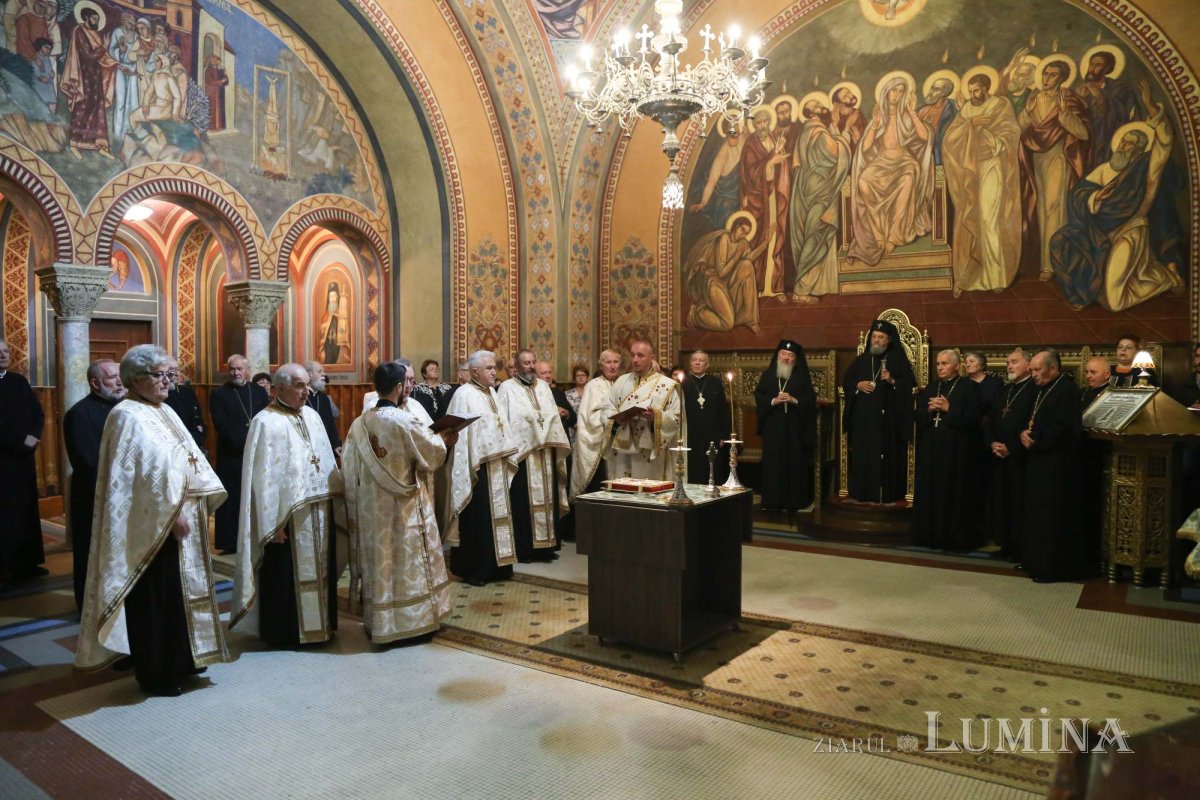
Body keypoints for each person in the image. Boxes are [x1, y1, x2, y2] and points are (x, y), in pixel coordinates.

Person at [76, 345, 229, 697]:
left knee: (180, 595)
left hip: (183, 521)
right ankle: (156, 672)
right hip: (150, 528)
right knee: (154, 599)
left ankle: (184, 658)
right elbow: (132, 481)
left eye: (170, 375)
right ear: (134, 378)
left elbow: (189, 459)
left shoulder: (165, 411)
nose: (167, 383)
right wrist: (168, 515)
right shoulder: (126, 415)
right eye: (160, 375)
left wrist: (198, 499)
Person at [229, 364, 343, 647]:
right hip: (286, 518)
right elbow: (262, 478)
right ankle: (287, 633)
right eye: (298, 385)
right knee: (284, 575)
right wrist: (272, 522)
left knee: (321, 571)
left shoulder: (314, 416)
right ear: (279, 388)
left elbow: (324, 461)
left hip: (319, 512)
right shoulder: (265, 422)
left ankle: (322, 627)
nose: (306, 391)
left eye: (307, 384)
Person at [343, 362, 454, 643]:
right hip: (405, 506)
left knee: (382, 562)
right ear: (398, 387)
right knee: (407, 562)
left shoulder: (360, 423)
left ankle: (380, 623)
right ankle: (409, 623)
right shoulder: (404, 421)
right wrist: (445, 440)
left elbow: (349, 466)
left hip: (372, 508)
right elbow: (432, 455)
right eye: (406, 383)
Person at [1050, 85, 1183, 311]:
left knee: (1115, 301)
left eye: (1130, 143)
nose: (1123, 146)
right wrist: (1095, 197)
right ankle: (1082, 294)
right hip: (1097, 231)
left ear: (1140, 150)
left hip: (1128, 231)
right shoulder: (1105, 169)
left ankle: (1167, 278)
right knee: (1060, 240)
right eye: (1123, 141)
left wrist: (1152, 110)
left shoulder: (1146, 167)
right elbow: (1079, 194)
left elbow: (1165, 142)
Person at [942, 73, 1022, 294]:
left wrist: (995, 141)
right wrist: (970, 125)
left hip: (992, 166)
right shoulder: (967, 110)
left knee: (989, 219)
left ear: (987, 89)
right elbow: (949, 139)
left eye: (977, 90)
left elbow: (1012, 132)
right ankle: (970, 276)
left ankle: (996, 277)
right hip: (971, 171)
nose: (973, 95)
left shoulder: (1000, 105)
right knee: (970, 220)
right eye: (971, 90)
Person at [444, 350, 518, 586]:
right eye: (489, 368)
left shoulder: (492, 393)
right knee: (478, 518)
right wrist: (475, 457)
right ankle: (476, 569)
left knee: (498, 516)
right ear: (474, 371)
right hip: (475, 467)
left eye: (494, 367)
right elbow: (459, 431)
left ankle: (500, 566)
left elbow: (500, 423)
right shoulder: (463, 394)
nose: (494, 372)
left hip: (496, 462)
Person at [847, 75, 934, 266]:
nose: (896, 95)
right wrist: (875, 125)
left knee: (908, 180)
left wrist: (912, 113)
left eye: (901, 91)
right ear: (886, 93)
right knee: (863, 182)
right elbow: (866, 147)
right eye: (893, 90)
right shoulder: (879, 118)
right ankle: (879, 233)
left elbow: (925, 136)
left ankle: (894, 236)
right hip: (882, 161)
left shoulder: (907, 116)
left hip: (904, 161)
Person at [1020, 349, 1089, 582]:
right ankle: (1034, 560)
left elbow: (1065, 428)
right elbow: (1028, 419)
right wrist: (1023, 434)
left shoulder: (1066, 390)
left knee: (1050, 515)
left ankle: (1050, 568)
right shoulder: (1040, 389)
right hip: (1037, 461)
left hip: (1056, 464)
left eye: (1037, 370)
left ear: (1052, 368)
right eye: (1031, 370)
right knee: (1035, 514)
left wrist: (1036, 438)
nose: (1033, 375)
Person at [1018, 59, 1089, 281]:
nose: (1047, 78)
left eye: (1053, 75)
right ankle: (1045, 263)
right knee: (1040, 209)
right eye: (1045, 73)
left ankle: (1055, 264)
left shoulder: (1068, 99)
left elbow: (1084, 133)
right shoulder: (1033, 98)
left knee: (1055, 207)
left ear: (1062, 78)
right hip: (1036, 158)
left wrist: (1065, 114)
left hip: (1058, 155)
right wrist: (1028, 115)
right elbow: (1016, 130)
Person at [63, 359, 125, 610]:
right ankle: (90, 607)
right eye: (112, 377)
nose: (120, 382)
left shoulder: (127, 409)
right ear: (95, 382)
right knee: (91, 553)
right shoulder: (79, 414)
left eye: (120, 376)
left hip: (123, 497)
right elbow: (87, 461)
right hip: (94, 497)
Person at [498, 351, 571, 562]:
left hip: (546, 450)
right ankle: (525, 548)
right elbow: (507, 421)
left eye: (533, 362)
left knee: (548, 498)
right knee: (523, 501)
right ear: (517, 366)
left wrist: (545, 431)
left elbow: (551, 414)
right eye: (526, 363)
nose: (530, 367)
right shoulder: (507, 389)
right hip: (524, 454)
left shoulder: (544, 387)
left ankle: (547, 545)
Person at [911, 350, 984, 551]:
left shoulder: (970, 388)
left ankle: (951, 538)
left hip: (956, 451)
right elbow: (917, 415)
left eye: (944, 363)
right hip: (931, 449)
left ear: (956, 365)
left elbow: (975, 418)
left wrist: (949, 409)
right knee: (930, 491)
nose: (940, 367)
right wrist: (928, 410)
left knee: (952, 492)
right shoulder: (932, 388)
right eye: (938, 364)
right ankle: (928, 535)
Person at [840, 319, 915, 503]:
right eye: (874, 336)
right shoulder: (862, 360)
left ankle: (888, 494)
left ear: (889, 340)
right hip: (864, 422)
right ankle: (863, 494)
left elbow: (910, 386)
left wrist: (892, 380)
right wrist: (858, 384)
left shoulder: (897, 360)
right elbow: (847, 382)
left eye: (881, 337)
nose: (876, 340)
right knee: (865, 458)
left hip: (890, 423)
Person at [790, 98, 852, 302]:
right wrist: (843, 132)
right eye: (818, 106)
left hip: (810, 188)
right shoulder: (817, 131)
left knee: (814, 234)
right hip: (819, 190)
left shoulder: (806, 132)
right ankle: (801, 290)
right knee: (816, 235)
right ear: (811, 114)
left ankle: (817, 285)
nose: (823, 107)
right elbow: (835, 154)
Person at [209, 354, 269, 554]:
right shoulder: (219, 394)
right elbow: (222, 426)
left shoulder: (259, 392)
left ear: (247, 370)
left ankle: (257, 536)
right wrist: (246, 442)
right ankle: (231, 542)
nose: (235, 373)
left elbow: (265, 419)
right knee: (233, 498)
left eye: (239, 369)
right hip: (232, 454)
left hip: (258, 453)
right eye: (232, 369)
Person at [0, 339, 47, 584]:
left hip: (23, 460)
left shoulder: (18, 381)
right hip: (4, 459)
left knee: (25, 509)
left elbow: (36, 413)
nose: (3, 355)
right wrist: (21, 440)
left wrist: (35, 436)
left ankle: (26, 563)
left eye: (6, 351)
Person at [986, 348, 1037, 563]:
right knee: (1002, 503)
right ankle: (1005, 544)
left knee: (1019, 505)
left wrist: (1012, 447)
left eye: (1014, 362)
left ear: (1028, 364)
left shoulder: (1034, 390)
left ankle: (1019, 548)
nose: (1009, 366)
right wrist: (992, 443)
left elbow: (1033, 425)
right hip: (999, 456)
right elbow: (989, 419)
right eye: (1008, 362)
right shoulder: (1005, 390)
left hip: (1020, 458)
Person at [605, 338, 682, 481]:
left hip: (649, 451)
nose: (635, 360)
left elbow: (676, 419)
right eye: (632, 355)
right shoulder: (621, 381)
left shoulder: (667, 385)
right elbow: (606, 408)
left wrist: (656, 418)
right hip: (623, 451)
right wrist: (616, 419)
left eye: (640, 355)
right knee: (624, 493)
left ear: (652, 358)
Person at [754, 340, 817, 511]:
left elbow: (811, 401)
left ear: (795, 359)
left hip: (795, 430)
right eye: (784, 354)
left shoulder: (802, 377)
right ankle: (772, 500)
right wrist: (773, 400)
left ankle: (794, 501)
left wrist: (794, 400)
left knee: (794, 462)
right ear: (778, 355)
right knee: (773, 464)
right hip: (773, 428)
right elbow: (759, 397)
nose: (786, 358)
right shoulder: (768, 375)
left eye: (791, 355)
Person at [60, 5, 118, 159]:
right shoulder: (79, 32)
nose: (96, 21)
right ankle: (74, 143)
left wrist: (116, 64)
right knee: (82, 108)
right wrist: (103, 48)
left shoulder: (95, 35)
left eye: (97, 19)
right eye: (94, 18)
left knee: (98, 109)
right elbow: (89, 54)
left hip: (96, 77)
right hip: (83, 77)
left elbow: (102, 58)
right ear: (85, 18)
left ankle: (100, 144)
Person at [570, 349, 623, 498]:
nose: (612, 366)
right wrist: (612, 420)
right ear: (601, 365)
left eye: (615, 362)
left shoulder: (625, 382)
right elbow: (588, 418)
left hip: (622, 445)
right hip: (601, 447)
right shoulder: (594, 386)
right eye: (608, 362)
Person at [683, 350, 732, 486]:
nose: (697, 362)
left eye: (701, 360)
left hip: (713, 434)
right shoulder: (683, 383)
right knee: (694, 467)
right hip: (691, 434)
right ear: (690, 363)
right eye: (694, 360)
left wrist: (724, 434)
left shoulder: (715, 383)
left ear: (707, 364)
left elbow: (723, 410)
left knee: (713, 468)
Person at [164, 359, 206, 450]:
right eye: (171, 370)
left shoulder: (188, 393)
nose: (176, 374)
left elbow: (199, 422)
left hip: (193, 445)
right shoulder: (158, 396)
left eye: (177, 369)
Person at [303, 360, 341, 455]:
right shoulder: (300, 396)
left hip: (324, 448)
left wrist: (336, 444)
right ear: (309, 375)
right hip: (304, 449)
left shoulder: (324, 398)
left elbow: (331, 424)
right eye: (320, 371)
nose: (324, 375)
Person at [564, 364, 590, 443]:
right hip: (573, 430)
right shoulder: (568, 394)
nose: (581, 377)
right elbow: (566, 413)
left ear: (587, 377)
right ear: (574, 378)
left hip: (589, 429)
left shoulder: (592, 393)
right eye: (578, 375)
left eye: (583, 375)